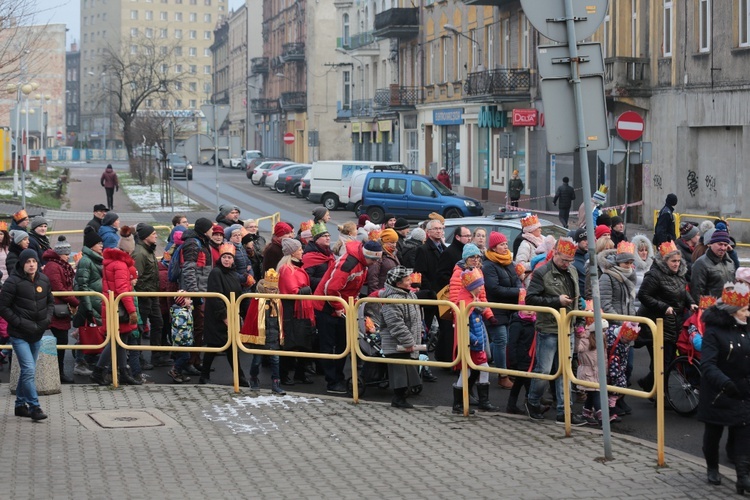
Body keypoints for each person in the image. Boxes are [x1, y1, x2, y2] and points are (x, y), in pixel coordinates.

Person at [524, 237, 586, 425]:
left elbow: (577, 297)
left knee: (565, 371)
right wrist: (556, 301)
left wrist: (579, 319)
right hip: (549, 328)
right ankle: (533, 402)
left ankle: (564, 411)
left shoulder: (573, 271)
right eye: (563, 260)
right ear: (555, 253)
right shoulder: (542, 272)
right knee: (544, 370)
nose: (567, 264)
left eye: (570, 260)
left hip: (568, 327)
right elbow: (530, 299)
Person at [698, 282, 750, 492]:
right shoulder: (714, 332)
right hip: (719, 392)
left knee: (743, 433)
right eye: (745, 309)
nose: (748, 313)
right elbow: (708, 365)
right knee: (714, 433)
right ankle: (712, 467)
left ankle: (743, 477)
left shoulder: (747, 328)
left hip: (743, 391)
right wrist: (725, 383)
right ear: (733, 312)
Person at [314, 240, 382, 394]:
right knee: (329, 345)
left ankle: (338, 377)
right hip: (327, 307)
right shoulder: (349, 264)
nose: (374, 264)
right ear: (367, 256)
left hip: (343, 306)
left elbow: (351, 289)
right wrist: (339, 307)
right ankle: (332, 381)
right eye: (373, 260)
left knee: (343, 345)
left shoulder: (362, 263)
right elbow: (330, 289)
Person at [636, 241, 698, 392]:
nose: (676, 264)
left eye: (678, 261)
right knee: (662, 361)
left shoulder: (680, 273)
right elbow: (643, 295)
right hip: (656, 323)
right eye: (673, 261)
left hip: (673, 323)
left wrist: (691, 303)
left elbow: (683, 291)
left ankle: (650, 384)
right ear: (664, 261)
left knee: (668, 360)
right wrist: (663, 307)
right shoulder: (654, 275)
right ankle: (659, 394)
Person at [0, 248, 54, 420]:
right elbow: (3, 307)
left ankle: (20, 405)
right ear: (22, 264)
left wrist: (46, 320)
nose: (31, 265)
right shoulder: (13, 282)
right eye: (28, 262)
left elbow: (50, 302)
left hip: (37, 333)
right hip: (19, 334)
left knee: (27, 371)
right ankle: (34, 407)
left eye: (34, 262)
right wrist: (19, 322)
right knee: (29, 369)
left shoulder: (44, 280)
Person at [90, 245, 142, 386]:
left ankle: (123, 372)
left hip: (113, 306)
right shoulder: (120, 264)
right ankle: (99, 371)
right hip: (120, 308)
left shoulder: (110, 262)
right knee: (115, 341)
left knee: (121, 340)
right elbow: (122, 290)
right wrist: (132, 311)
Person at [452, 267, 500, 413]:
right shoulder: (466, 303)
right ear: (473, 287)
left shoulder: (472, 299)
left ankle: (462, 404)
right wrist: (474, 340)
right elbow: (463, 326)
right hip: (472, 344)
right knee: (474, 370)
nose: (481, 288)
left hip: (475, 343)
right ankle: (465, 404)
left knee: (470, 371)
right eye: (479, 285)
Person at [200, 243, 248, 386]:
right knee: (214, 347)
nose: (227, 260)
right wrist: (224, 316)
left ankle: (239, 377)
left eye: (229, 257)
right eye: (225, 257)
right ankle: (205, 375)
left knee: (230, 348)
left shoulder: (233, 274)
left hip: (231, 315)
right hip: (217, 317)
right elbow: (216, 296)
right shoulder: (216, 273)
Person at [482, 231, 521, 389]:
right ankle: (502, 375)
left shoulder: (508, 262)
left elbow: (517, 280)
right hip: (495, 309)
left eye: (506, 244)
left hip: (510, 308)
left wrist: (519, 289)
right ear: (493, 247)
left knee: (504, 342)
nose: (505, 247)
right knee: (500, 340)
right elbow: (494, 288)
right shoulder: (489, 265)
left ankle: (503, 369)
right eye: (501, 245)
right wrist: (518, 292)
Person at [240, 269, 285, 394]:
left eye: (273, 289)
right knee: (257, 361)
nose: (272, 292)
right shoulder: (257, 300)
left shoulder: (278, 301)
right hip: (261, 337)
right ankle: (253, 377)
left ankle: (276, 383)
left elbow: (280, 320)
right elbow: (252, 318)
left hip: (274, 336)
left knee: (275, 360)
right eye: (269, 289)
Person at [277, 238, 315, 385]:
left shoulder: (295, 267)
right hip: (293, 310)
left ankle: (300, 372)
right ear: (292, 252)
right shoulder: (287, 269)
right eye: (299, 249)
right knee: (292, 343)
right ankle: (284, 374)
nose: (302, 251)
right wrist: (307, 289)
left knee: (304, 342)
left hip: (302, 309)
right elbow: (293, 291)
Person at [42, 236, 79, 384]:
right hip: (55, 309)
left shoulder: (58, 264)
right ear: (59, 254)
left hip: (58, 308)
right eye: (65, 254)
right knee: (61, 341)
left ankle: (58, 372)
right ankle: (57, 373)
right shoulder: (54, 266)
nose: (68, 256)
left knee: (62, 340)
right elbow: (59, 288)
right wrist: (75, 301)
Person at [179, 217, 215, 371]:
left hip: (202, 289)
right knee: (195, 328)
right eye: (211, 228)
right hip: (195, 292)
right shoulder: (193, 243)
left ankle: (196, 360)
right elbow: (189, 269)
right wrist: (194, 294)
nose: (213, 231)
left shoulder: (201, 241)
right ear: (204, 229)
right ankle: (189, 362)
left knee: (199, 327)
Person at [132, 224, 170, 368]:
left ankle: (157, 355)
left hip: (153, 294)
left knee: (158, 323)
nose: (156, 235)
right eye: (153, 233)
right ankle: (138, 357)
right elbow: (136, 277)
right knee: (140, 327)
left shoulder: (149, 250)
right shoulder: (140, 253)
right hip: (143, 296)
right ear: (145, 236)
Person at [71, 227, 104, 376]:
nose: (101, 245)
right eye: (98, 243)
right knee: (85, 333)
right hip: (89, 303)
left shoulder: (94, 259)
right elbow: (82, 285)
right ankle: (79, 363)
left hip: (96, 302)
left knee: (91, 332)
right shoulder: (86, 261)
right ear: (91, 245)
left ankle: (89, 360)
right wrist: (89, 308)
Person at [576, 315, 610, 425]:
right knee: (596, 394)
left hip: (597, 373)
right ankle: (602, 418)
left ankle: (586, 414)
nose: (605, 333)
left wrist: (605, 372)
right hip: (588, 373)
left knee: (591, 394)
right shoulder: (585, 340)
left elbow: (604, 358)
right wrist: (578, 336)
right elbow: (577, 348)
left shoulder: (602, 339)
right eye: (603, 330)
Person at [690, 230, 737, 303]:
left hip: (728, 307)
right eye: (720, 244)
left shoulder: (730, 262)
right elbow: (697, 292)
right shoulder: (701, 263)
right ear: (711, 244)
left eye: (725, 245)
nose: (723, 248)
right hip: (711, 309)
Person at [167, 293, 194, 383]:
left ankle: (179, 373)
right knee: (185, 357)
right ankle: (174, 370)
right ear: (182, 302)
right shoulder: (182, 313)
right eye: (188, 298)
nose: (190, 300)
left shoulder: (186, 311)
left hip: (182, 339)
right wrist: (185, 338)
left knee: (181, 356)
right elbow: (180, 327)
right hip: (182, 340)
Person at [302, 222, 335, 294]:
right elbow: (306, 279)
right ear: (316, 239)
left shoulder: (329, 254)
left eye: (328, 236)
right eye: (325, 236)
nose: (328, 238)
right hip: (316, 294)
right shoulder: (309, 257)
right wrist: (326, 281)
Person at [367, 228, 400, 293]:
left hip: (390, 292)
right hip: (381, 292)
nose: (394, 245)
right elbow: (373, 277)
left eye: (395, 242)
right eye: (391, 242)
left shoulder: (393, 252)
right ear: (384, 241)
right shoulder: (378, 254)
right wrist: (375, 295)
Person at [516, 214, 544, 280]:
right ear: (532, 230)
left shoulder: (542, 240)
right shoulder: (525, 244)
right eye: (538, 228)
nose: (541, 230)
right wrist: (535, 263)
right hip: (531, 279)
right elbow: (520, 265)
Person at [571, 228, 589, 297]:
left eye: (588, 240)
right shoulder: (572, 259)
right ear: (577, 242)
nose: (587, 242)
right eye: (584, 240)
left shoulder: (588, 256)